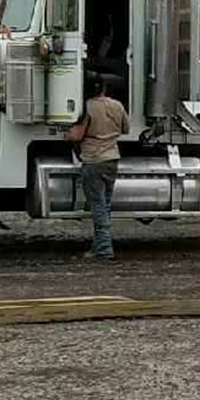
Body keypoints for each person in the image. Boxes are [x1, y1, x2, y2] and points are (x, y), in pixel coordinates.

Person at [67, 75, 129, 261]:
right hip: (112, 160)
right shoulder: (117, 105)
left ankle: (104, 250)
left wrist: (68, 135)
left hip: (94, 161)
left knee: (98, 208)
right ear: (104, 88)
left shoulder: (87, 106)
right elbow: (126, 128)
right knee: (105, 205)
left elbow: (77, 136)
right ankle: (98, 247)